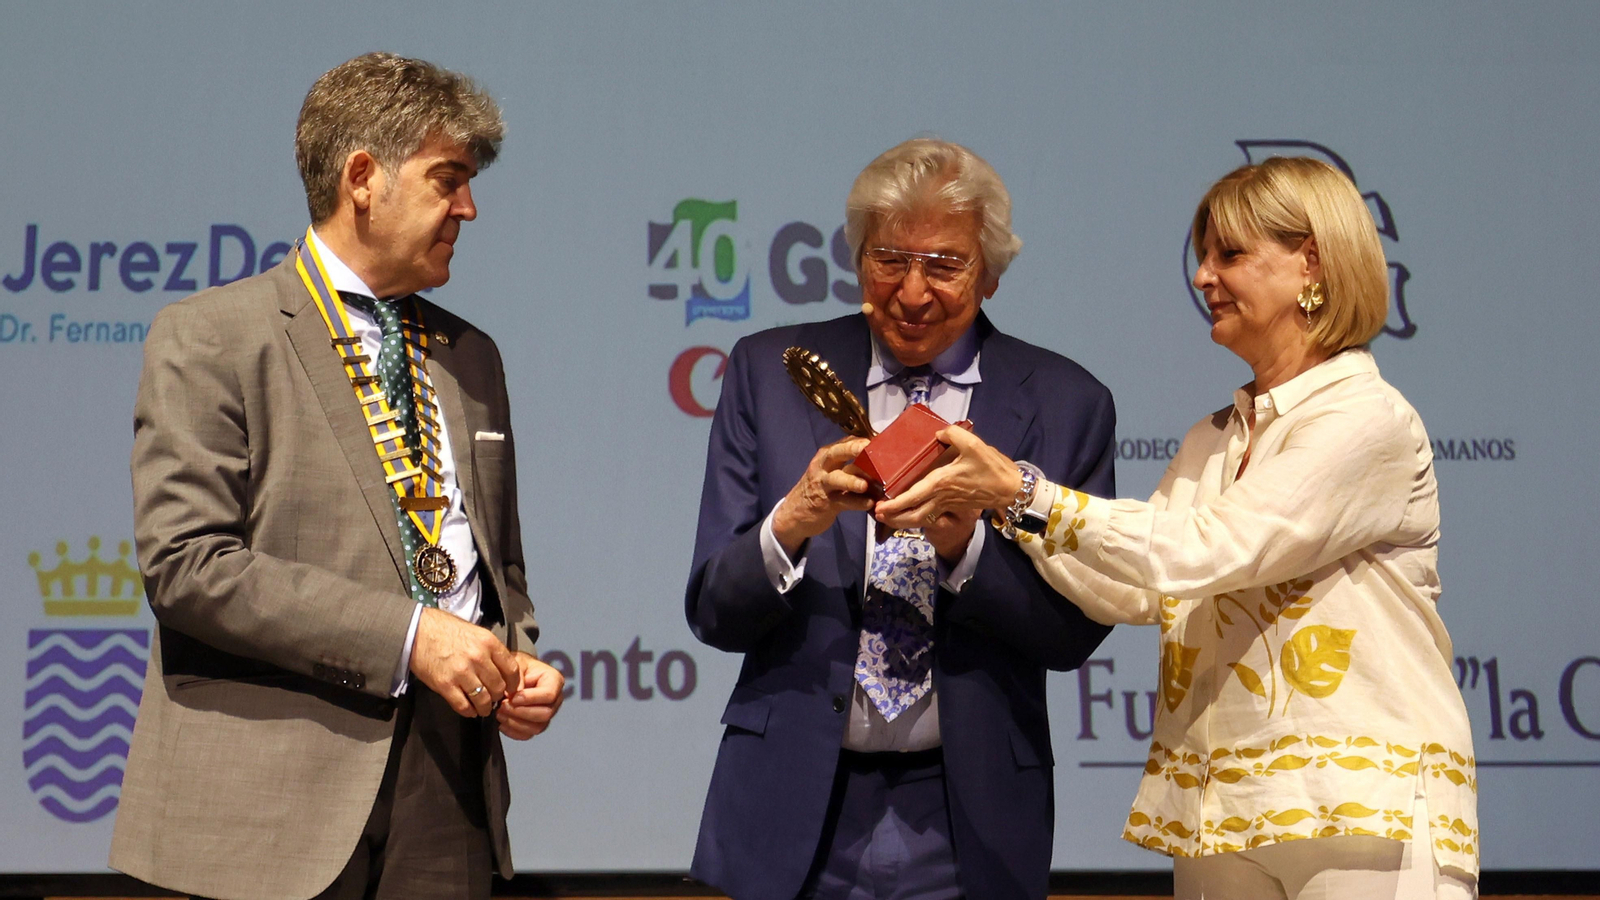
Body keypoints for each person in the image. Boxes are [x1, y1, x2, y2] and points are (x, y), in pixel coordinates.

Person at [876, 157, 1478, 900]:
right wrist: (987, 511)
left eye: (1230, 254)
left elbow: (1209, 549)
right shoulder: (1213, 438)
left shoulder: (1364, 418)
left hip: (1362, 800)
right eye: (1203, 255)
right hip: (1225, 801)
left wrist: (1021, 489)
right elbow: (1131, 588)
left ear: (1311, 263)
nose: (1201, 277)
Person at [111, 52, 564, 900]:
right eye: (448, 180)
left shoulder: (471, 354)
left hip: (449, 787)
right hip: (272, 796)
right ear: (362, 178)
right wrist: (410, 636)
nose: (468, 208)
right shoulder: (213, 335)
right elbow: (187, 566)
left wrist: (515, 657)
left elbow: (495, 565)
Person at [685, 138, 1118, 900]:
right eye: (890, 259)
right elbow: (713, 609)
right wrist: (796, 518)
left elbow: (1072, 633)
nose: (913, 292)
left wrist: (964, 551)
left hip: (968, 815)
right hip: (793, 804)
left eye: (944, 265)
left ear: (989, 273)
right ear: (858, 261)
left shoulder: (1067, 402)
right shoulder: (769, 371)